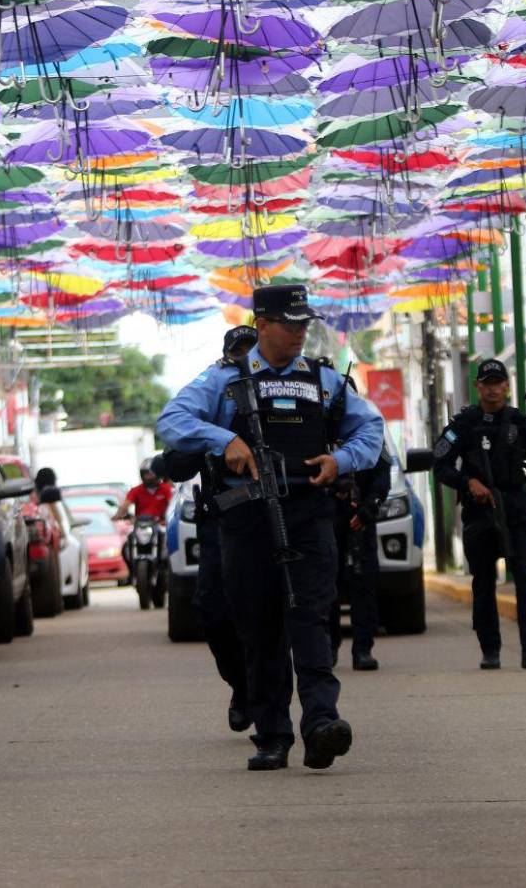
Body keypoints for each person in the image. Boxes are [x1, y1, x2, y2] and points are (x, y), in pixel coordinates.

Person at [157, 285, 383, 771]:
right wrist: (224, 440)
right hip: (246, 520)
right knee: (259, 626)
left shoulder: (324, 380)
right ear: (262, 324)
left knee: (311, 619)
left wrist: (340, 460)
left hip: (307, 513)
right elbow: (172, 420)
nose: (300, 332)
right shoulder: (224, 380)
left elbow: (372, 430)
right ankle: (272, 734)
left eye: (305, 323)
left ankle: (322, 723)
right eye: (290, 323)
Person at [156, 325, 258, 734]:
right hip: (227, 513)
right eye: (239, 351)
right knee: (213, 609)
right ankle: (242, 685)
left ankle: (306, 707)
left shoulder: (293, 380)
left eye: (253, 349)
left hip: (285, 509)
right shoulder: (216, 387)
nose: (247, 357)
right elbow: (176, 429)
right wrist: (219, 440)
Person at [433, 359, 526, 670]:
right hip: (480, 511)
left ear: (507, 386)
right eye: (486, 383)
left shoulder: (520, 423)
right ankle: (490, 649)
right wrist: (467, 481)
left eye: (497, 382)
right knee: (483, 582)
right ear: (478, 387)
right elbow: (441, 465)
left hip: (516, 505)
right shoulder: (463, 425)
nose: (492, 388)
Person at [330, 442, 392, 671]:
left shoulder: (368, 429)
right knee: (325, 586)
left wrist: (369, 508)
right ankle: (328, 647)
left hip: (361, 519)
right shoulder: (317, 424)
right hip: (325, 518)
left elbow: (383, 475)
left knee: (364, 583)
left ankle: (363, 649)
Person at [118, 460, 174, 584]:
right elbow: (125, 505)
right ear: (142, 475)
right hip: (141, 526)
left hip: (160, 525)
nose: (149, 476)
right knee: (125, 546)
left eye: (152, 473)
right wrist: (119, 514)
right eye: (146, 473)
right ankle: (131, 573)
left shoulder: (166, 489)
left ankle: (166, 570)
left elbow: (173, 505)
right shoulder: (136, 490)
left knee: (170, 544)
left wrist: (169, 518)